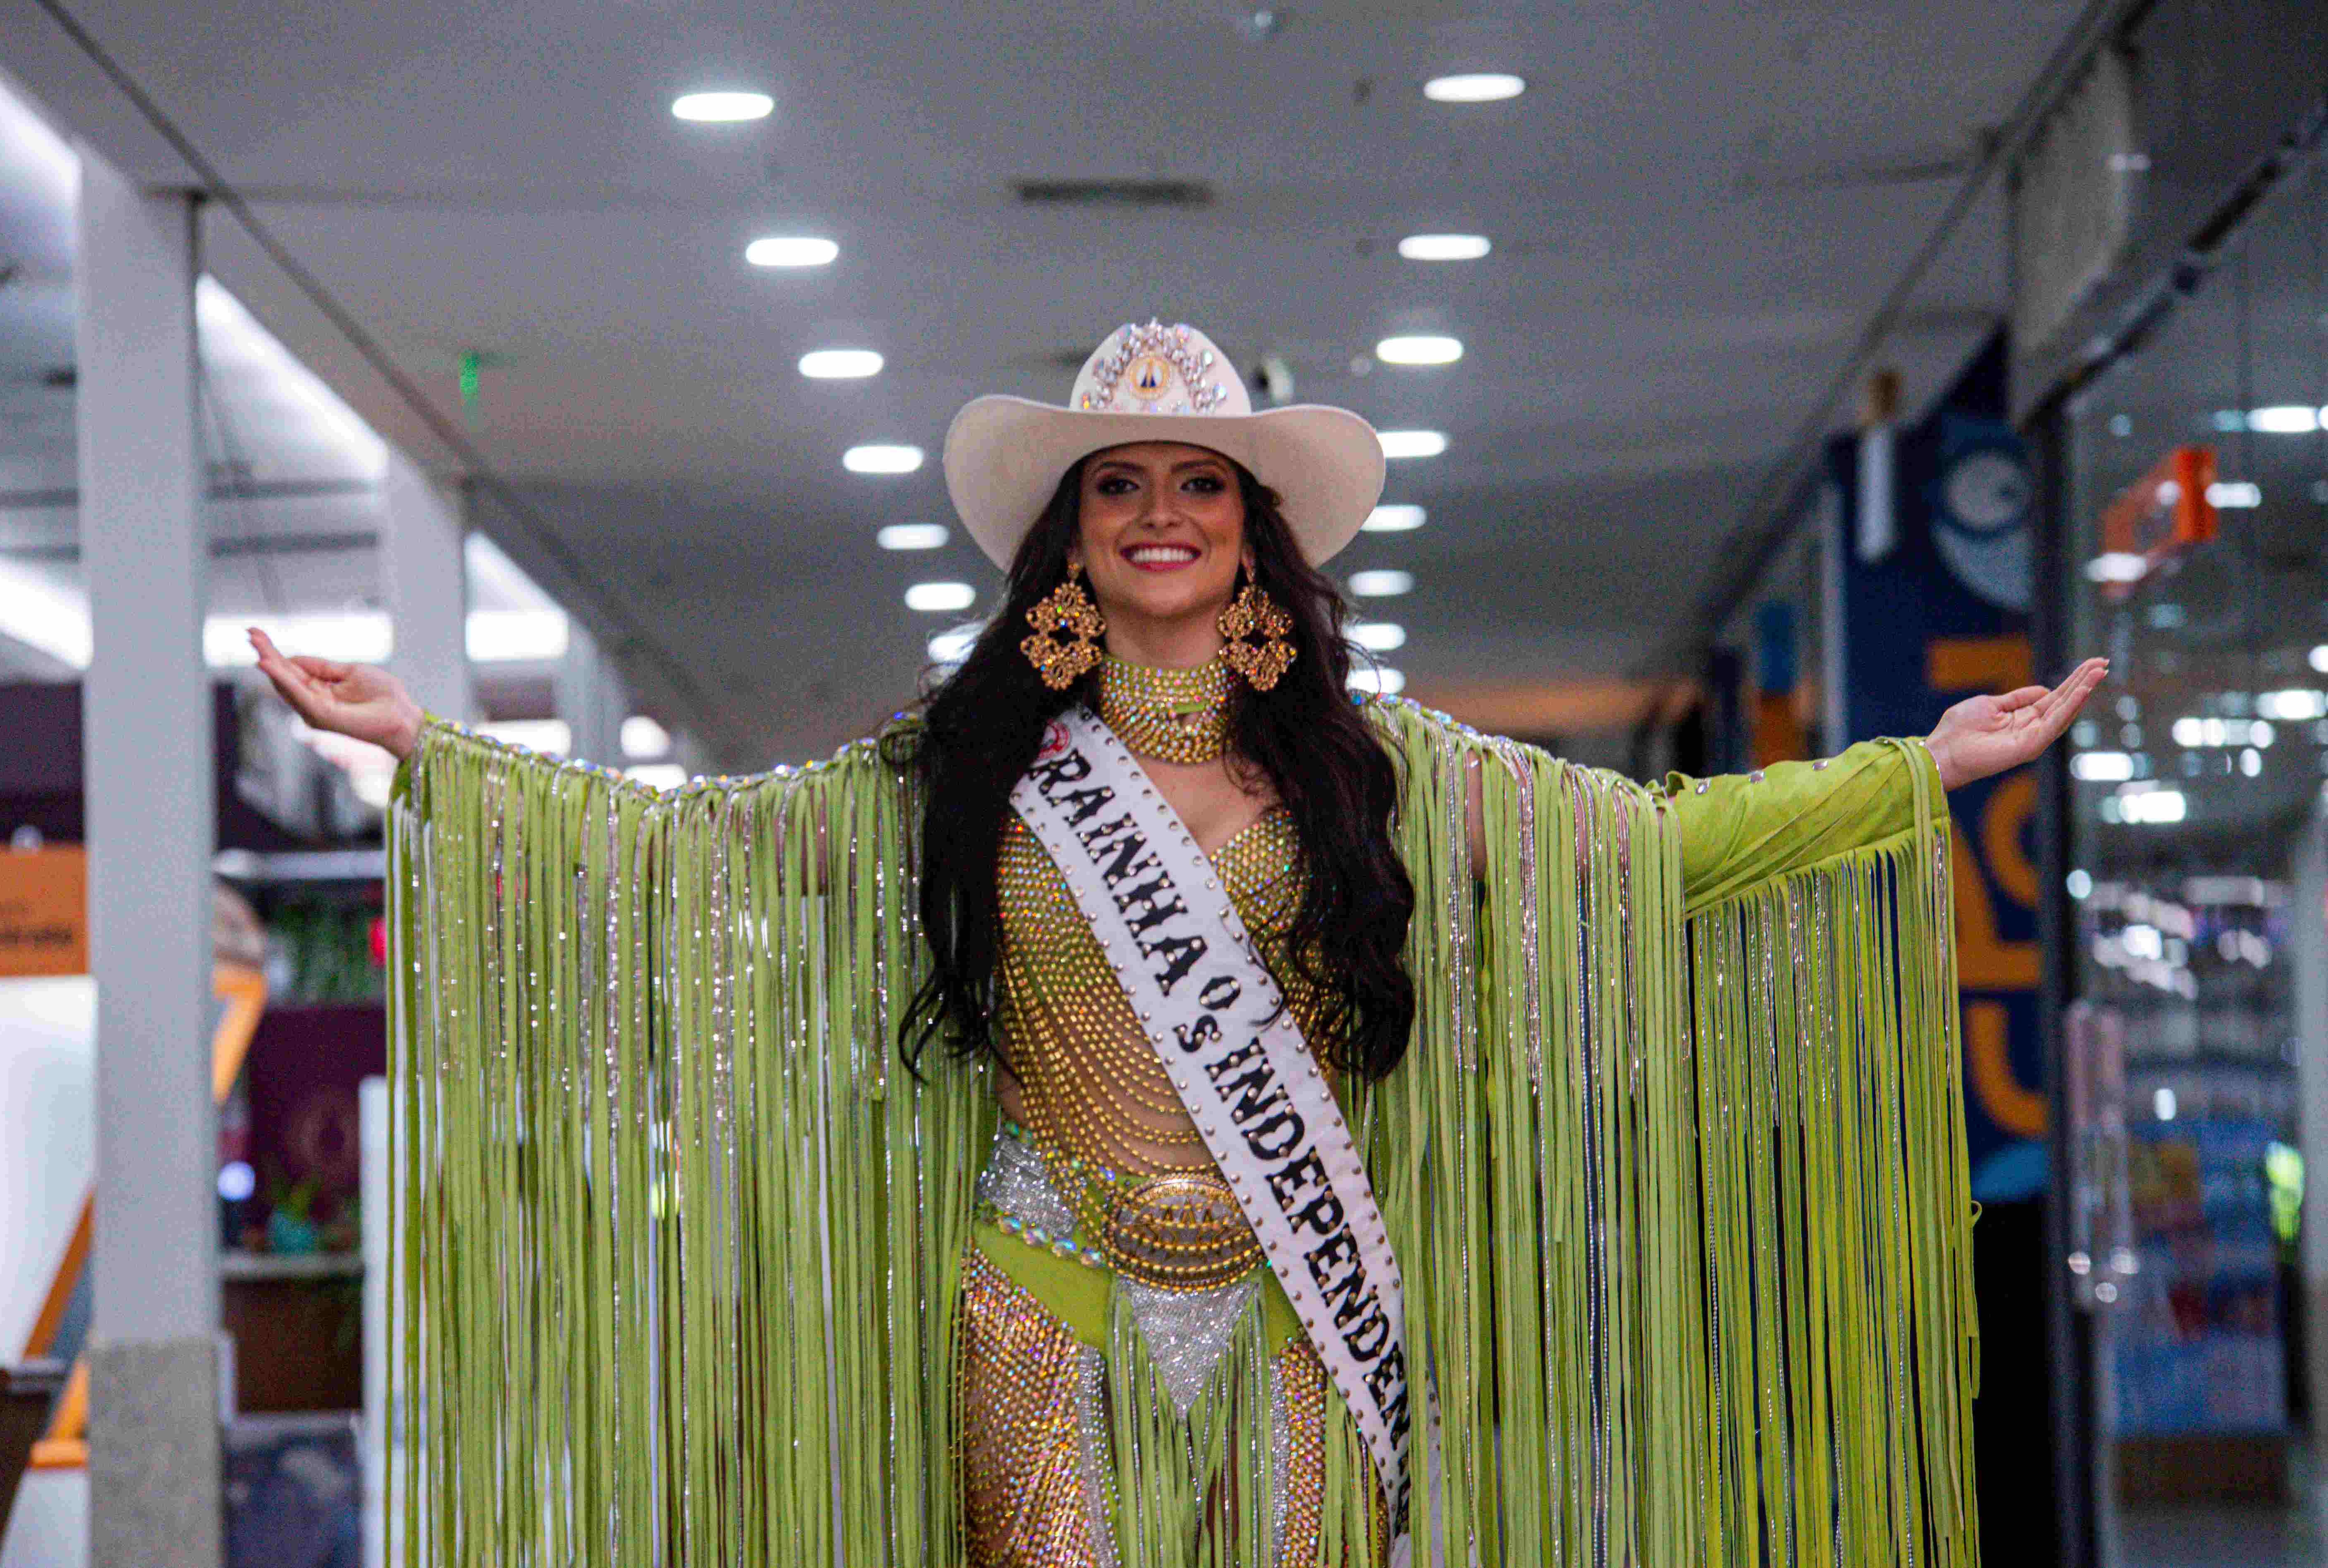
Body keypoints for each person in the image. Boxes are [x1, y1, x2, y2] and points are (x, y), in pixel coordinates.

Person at [255, 319, 2102, 1568]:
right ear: (1072, 531)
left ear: (1252, 526)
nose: (1160, 516)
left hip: (1308, 1296)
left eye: (1199, 483)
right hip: (1041, 1296)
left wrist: (1909, 771)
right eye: (1121, 484)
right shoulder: (963, 765)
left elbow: (1646, 849)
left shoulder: (1376, 768)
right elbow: (695, 856)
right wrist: (431, 742)